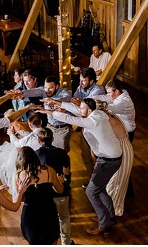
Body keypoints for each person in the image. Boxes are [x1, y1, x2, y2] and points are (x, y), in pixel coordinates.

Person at [39, 98, 122, 235]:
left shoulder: (92, 121)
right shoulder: (96, 114)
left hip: (108, 160)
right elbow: (77, 111)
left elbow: (74, 119)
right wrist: (56, 102)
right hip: (111, 157)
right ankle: (109, 217)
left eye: (82, 108)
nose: (79, 109)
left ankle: (104, 224)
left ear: (89, 110)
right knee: (99, 188)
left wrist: (50, 111)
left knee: (91, 191)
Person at [17, 146, 64, 245]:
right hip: (48, 211)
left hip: (31, 214)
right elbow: (60, 190)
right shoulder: (49, 171)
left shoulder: (19, 176)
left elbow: (20, 199)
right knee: (52, 240)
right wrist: (60, 182)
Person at [36, 128, 74, 245]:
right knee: (64, 218)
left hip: (44, 194)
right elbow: (66, 172)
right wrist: (65, 184)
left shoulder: (36, 154)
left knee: (47, 220)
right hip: (60, 191)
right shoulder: (62, 153)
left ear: (38, 140)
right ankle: (66, 242)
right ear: (52, 139)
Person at [16, 76, 73, 151]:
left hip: (63, 128)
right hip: (50, 127)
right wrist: (21, 93)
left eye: (50, 88)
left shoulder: (65, 92)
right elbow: (34, 91)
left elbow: (66, 99)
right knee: (49, 149)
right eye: (46, 87)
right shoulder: (44, 91)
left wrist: (53, 101)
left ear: (57, 86)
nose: (47, 90)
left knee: (61, 151)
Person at [0, 113, 45, 200]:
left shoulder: (26, 133)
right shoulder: (43, 130)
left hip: (27, 156)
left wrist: (11, 134)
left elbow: (17, 144)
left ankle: (20, 195)